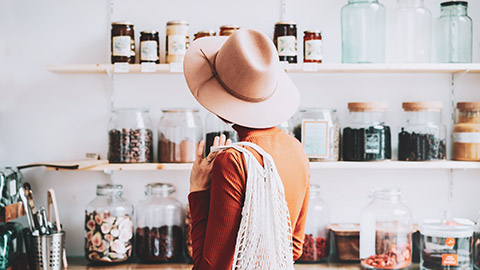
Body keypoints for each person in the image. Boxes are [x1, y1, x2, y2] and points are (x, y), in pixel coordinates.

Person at [183, 29, 310, 269]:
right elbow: (293, 249)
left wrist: (198, 189)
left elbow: (210, 267)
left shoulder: (233, 161)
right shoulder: (297, 149)